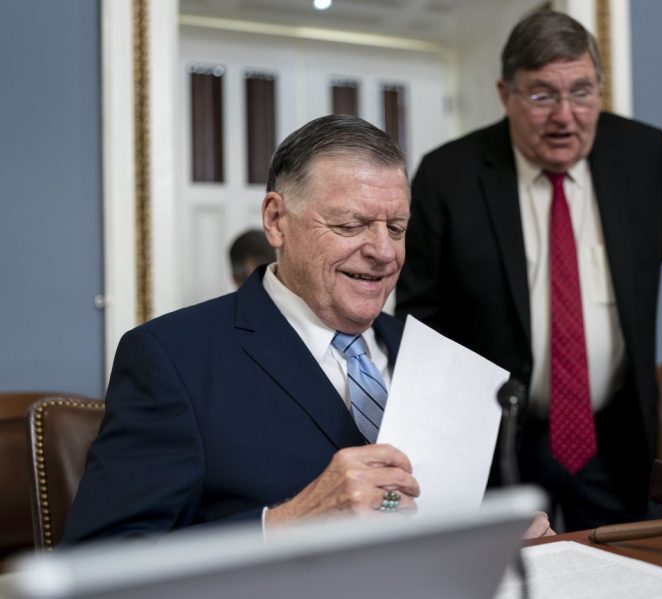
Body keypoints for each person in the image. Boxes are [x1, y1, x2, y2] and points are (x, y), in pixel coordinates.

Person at [395, 11, 662, 532]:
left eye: (583, 92)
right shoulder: (449, 175)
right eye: (543, 95)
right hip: (494, 439)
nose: (566, 116)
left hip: (611, 436)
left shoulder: (642, 155)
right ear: (506, 93)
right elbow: (421, 315)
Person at [63, 115, 551, 542]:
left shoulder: (439, 359)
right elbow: (99, 563)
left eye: (397, 228)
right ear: (276, 220)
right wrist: (284, 524)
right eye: (351, 225)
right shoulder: (173, 358)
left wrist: (499, 532)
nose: (384, 252)